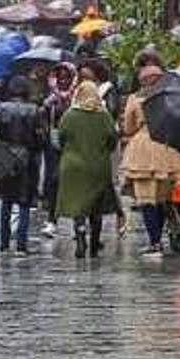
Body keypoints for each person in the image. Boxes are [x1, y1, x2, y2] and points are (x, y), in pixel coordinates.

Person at [120, 64, 180, 256]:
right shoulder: (171, 98)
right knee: (164, 197)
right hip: (167, 148)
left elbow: (128, 127)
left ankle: (155, 242)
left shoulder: (135, 99)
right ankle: (172, 231)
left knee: (146, 199)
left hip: (142, 149)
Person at [56, 81, 119, 259]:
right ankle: (94, 244)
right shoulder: (104, 116)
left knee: (78, 205)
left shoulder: (70, 115)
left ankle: (81, 234)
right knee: (96, 207)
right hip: (98, 166)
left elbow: (61, 137)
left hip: (73, 167)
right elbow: (113, 140)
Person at [0, 76, 45, 252]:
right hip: (27, 159)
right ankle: (21, 244)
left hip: (6, 157)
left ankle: (4, 243)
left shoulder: (1, 109)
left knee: (6, 201)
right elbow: (40, 138)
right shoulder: (34, 110)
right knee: (24, 202)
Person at [38, 63, 76, 238]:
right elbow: (42, 119)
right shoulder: (49, 100)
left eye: (66, 77)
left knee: (76, 183)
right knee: (54, 181)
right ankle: (52, 219)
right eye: (59, 77)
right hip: (54, 146)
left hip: (75, 145)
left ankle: (79, 222)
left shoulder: (77, 98)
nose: (63, 81)